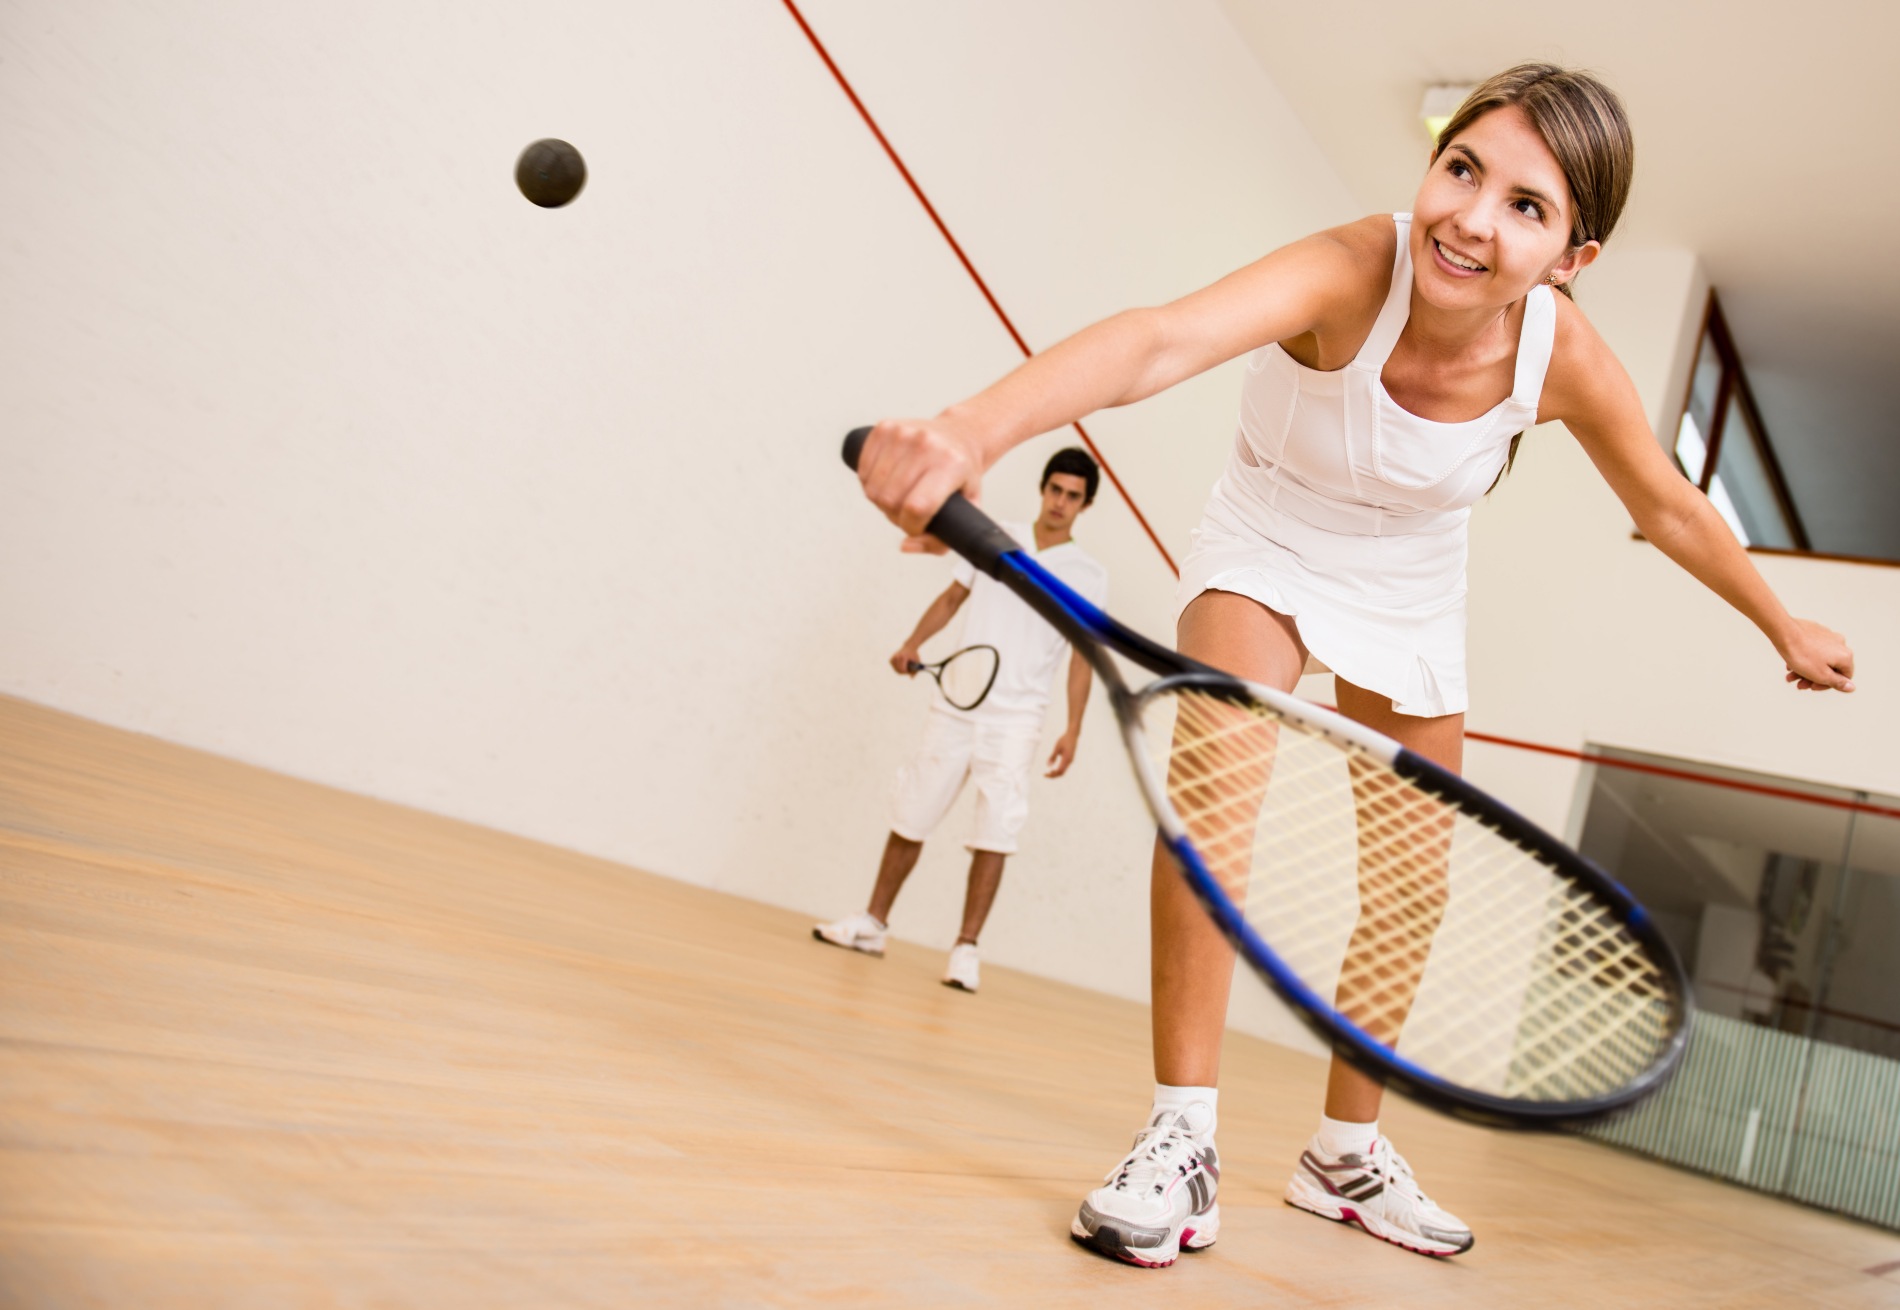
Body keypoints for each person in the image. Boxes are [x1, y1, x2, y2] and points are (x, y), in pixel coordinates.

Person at [849, 63, 1854, 1264]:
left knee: (1409, 884)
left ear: (1573, 256)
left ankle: (1344, 1154)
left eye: (1527, 207)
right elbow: (1159, 341)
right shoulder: (1349, 265)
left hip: (1413, 577)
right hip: (1270, 532)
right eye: (1462, 169)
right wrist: (970, 429)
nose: (1473, 219)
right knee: (1214, 823)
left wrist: (1778, 619)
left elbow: (1671, 502)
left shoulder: (1561, 355)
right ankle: (1184, 1136)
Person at [813, 448, 1109, 994]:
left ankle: (966, 950)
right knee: (911, 811)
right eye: (1055, 490)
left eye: (1072, 496)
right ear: (1043, 489)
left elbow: (1081, 657)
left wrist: (1074, 729)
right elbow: (952, 598)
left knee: (995, 832)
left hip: (1017, 721)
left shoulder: (1088, 576)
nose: (1060, 503)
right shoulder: (996, 537)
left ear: (1084, 505)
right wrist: (912, 643)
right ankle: (873, 924)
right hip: (956, 705)